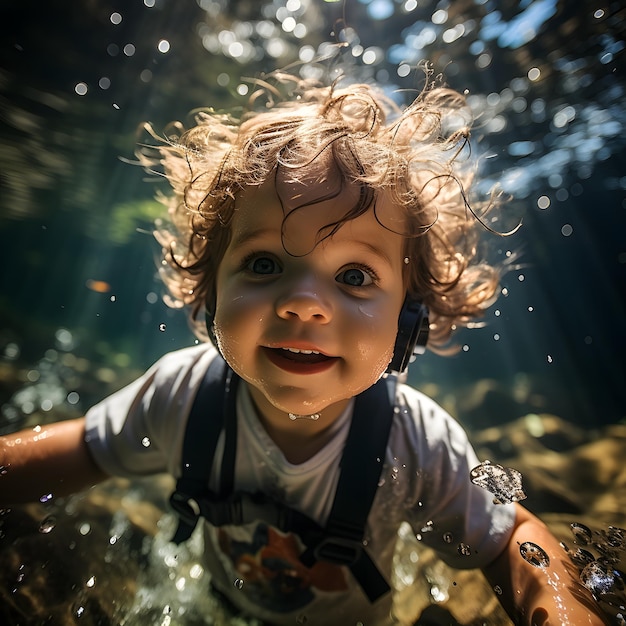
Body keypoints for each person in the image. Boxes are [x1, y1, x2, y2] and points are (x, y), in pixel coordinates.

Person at [0, 70, 609, 625]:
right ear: (210, 290)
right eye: (263, 263)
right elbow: (79, 449)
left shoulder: (415, 441)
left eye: (354, 276)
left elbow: (508, 539)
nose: (303, 303)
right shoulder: (182, 394)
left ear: (410, 315)